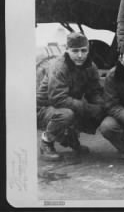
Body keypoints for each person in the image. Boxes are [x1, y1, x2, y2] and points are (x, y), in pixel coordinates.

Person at [37, 32, 105, 161]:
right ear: (67, 50)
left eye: (83, 50)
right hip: (44, 108)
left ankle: (71, 138)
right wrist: (87, 108)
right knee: (66, 114)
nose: (80, 55)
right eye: (75, 51)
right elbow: (58, 99)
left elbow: (94, 92)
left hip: (66, 105)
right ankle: (46, 142)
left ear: (88, 50)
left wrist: (101, 106)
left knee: (98, 110)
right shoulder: (59, 67)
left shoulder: (90, 66)